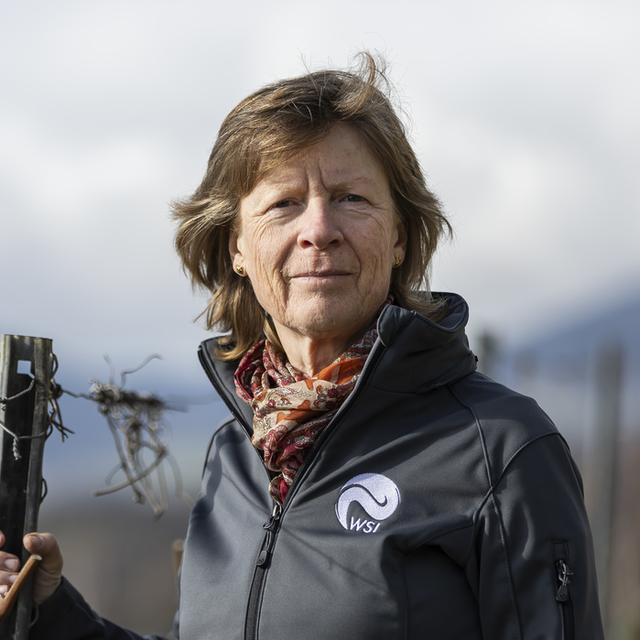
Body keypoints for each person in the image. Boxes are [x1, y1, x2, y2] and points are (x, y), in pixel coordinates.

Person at [0, 54, 604, 639]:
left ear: (400, 234)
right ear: (236, 246)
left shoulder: (502, 449)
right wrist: (54, 613)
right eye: (284, 203)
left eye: (351, 198)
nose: (318, 230)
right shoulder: (234, 454)